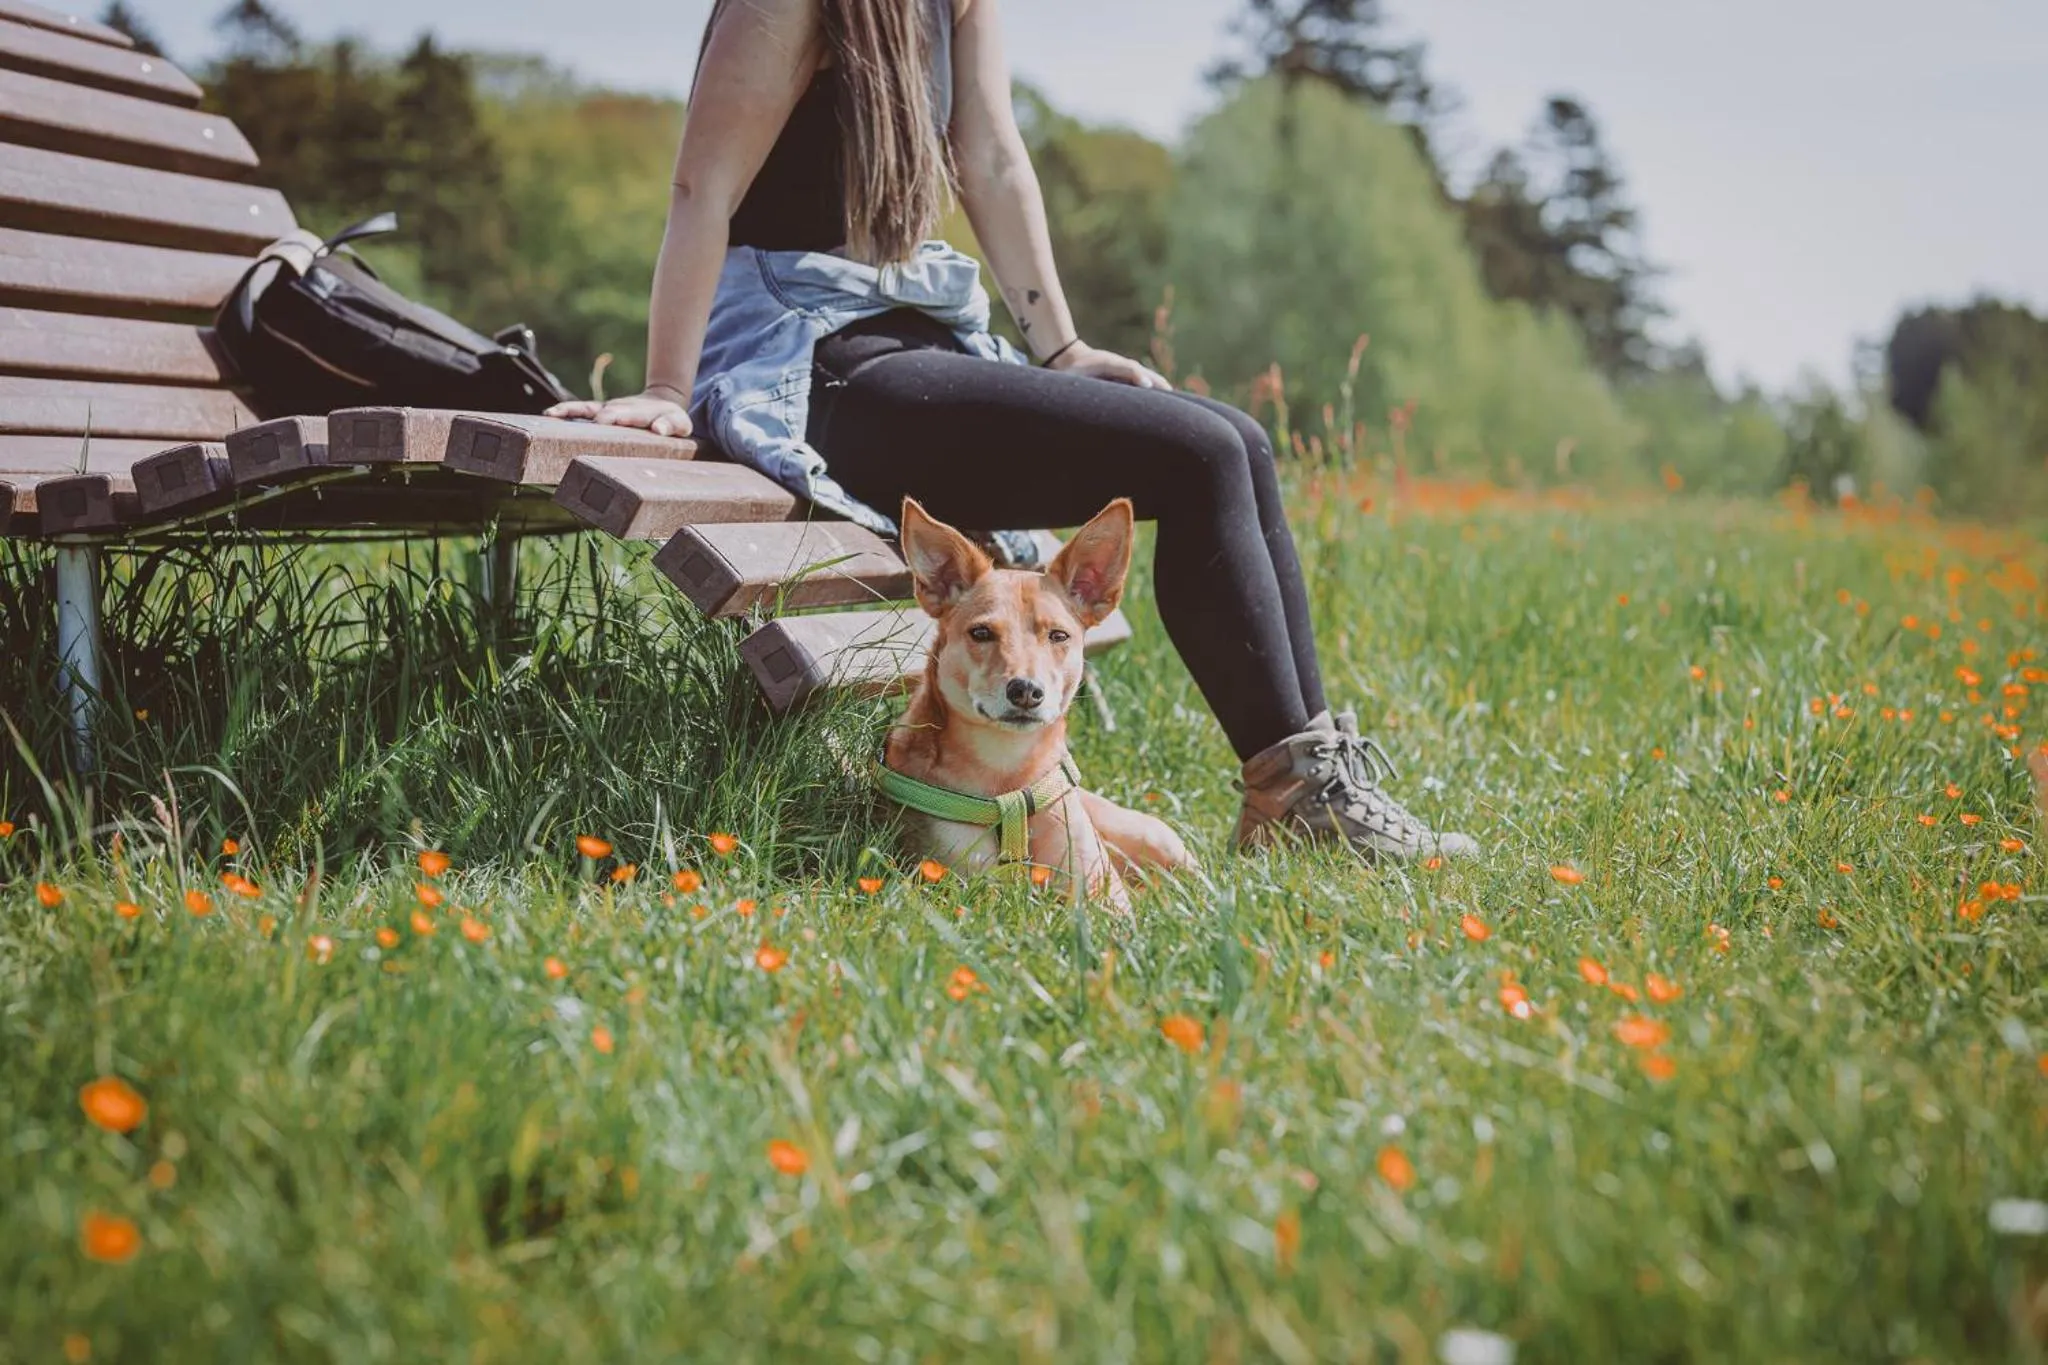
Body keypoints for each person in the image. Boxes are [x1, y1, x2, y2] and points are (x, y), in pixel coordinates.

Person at [546, 0, 1477, 862]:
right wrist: (667, 383)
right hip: (808, 354)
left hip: (918, 334)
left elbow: (989, 153)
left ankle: (1303, 787)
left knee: (1233, 439)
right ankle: (1297, 802)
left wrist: (1062, 346)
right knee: (1195, 454)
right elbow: (700, 183)